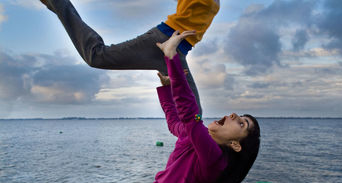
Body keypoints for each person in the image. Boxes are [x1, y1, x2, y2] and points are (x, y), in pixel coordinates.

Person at [0, 31, 260, 183]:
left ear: (236, 145)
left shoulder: (214, 160)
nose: (234, 115)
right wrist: (167, 89)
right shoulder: (196, 138)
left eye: (242, 123)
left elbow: (190, 115)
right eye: (239, 115)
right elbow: (176, 122)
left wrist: (172, 59)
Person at [38, 0, 221, 114]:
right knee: (97, 56)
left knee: (195, 114)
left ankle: (196, 170)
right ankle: (58, 2)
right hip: (164, 39)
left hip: (178, 52)